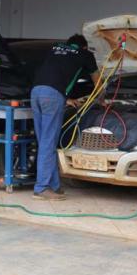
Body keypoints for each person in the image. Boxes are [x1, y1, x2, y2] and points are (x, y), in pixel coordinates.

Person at [31, 34, 100, 200]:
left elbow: (51, 73)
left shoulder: (54, 48)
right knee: (48, 142)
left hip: (36, 92)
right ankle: (42, 188)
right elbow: (98, 82)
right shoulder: (85, 54)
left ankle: (54, 185)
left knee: (44, 142)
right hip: (52, 97)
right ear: (84, 47)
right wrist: (102, 99)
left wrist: (66, 98)